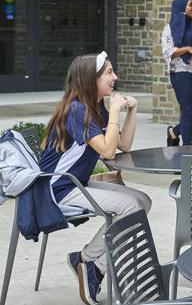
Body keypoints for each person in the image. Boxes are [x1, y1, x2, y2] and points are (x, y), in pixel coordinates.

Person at [38, 52, 151, 305]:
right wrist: (113, 113)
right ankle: (93, 265)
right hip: (57, 188)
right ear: (91, 79)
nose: (116, 77)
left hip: (77, 182)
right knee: (131, 207)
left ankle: (85, 260)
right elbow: (108, 151)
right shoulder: (77, 109)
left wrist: (132, 111)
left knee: (143, 200)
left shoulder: (94, 106)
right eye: (109, 72)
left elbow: (123, 145)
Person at [161, 0, 192, 146]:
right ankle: (187, 148)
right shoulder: (169, 29)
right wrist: (188, 48)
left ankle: (174, 132)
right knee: (187, 111)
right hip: (181, 73)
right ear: (181, 8)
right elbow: (168, 51)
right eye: (190, 5)